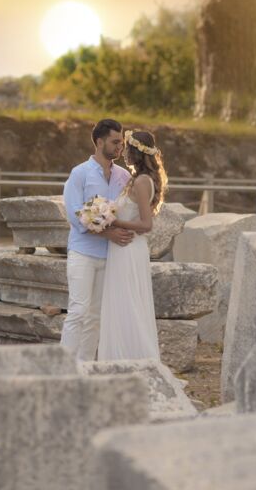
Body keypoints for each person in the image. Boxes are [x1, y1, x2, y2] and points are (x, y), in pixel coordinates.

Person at [60, 118, 134, 361]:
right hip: (83, 252)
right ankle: (63, 367)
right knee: (78, 311)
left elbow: (126, 211)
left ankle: (85, 367)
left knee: (95, 316)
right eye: (115, 142)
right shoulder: (80, 173)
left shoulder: (124, 176)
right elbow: (74, 214)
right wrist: (107, 232)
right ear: (99, 142)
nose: (119, 147)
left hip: (111, 255)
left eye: (121, 142)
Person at [97, 129, 167, 361]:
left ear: (137, 152)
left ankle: (134, 359)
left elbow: (146, 224)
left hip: (129, 249)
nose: (123, 152)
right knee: (121, 304)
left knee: (128, 304)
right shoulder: (135, 179)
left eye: (127, 148)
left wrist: (112, 221)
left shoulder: (142, 182)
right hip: (121, 250)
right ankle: (118, 358)